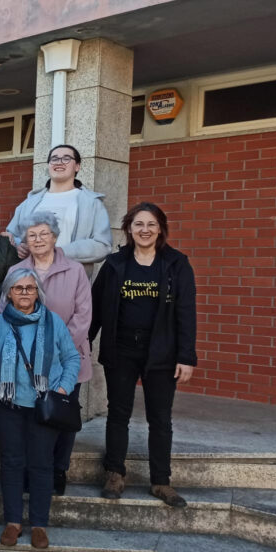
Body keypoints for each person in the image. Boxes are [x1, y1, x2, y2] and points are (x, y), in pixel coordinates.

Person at [90, 202, 197, 508]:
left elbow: (186, 312)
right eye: (139, 224)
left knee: (160, 418)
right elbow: (97, 307)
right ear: (129, 228)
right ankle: (114, 472)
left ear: (160, 228)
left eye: (151, 224)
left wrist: (186, 355)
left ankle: (161, 481)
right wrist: (84, 340)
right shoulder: (114, 264)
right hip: (121, 350)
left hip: (162, 353)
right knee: (118, 413)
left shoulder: (177, 264)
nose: (145, 230)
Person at [0, 269, 80, 550]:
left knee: (41, 464)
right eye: (18, 288)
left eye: (29, 288)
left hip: (44, 405)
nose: (24, 293)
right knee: (12, 462)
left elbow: (71, 357)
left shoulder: (53, 322)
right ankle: (13, 522)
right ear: (8, 293)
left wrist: (62, 388)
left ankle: (39, 523)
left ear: (38, 291)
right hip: (8, 405)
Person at [0, 211, 92, 495]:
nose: (38, 239)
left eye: (44, 234)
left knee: (61, 416)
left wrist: (56, 348)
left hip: (66, 359)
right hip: (25, 363)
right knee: (30, 417)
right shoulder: (16, 271)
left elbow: (83, 314)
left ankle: (58, 470)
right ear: (26, 240)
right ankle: (32, 469)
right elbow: (6, 310)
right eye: (32, 235)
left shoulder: (75, 270)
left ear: (54, 236)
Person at [4, 144, 112, 270]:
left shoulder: (91, 203)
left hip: (69, 278)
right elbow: (11, 236)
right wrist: (19, 246)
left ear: (77, 166)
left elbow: (102, 245)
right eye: (54, 159)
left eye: (66, 158)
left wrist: (58, 252)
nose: (59, 162)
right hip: (30, 281)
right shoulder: (30, 203)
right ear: (49, 166)